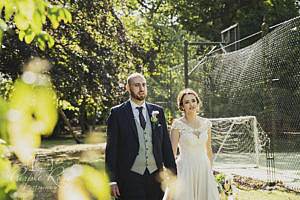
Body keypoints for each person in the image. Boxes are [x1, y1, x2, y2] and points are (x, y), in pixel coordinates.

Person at [105, 72, 177, 200]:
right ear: (128, 88)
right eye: (137, 85)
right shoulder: (117, 113)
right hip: (129, 176)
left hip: (156, 176)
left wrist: (173, 175)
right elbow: (111, 149)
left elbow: (165, 145)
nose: (141, 88)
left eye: (144, 85)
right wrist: (112, 180)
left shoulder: (158, 111)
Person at [166, 88, 220, 200]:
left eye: (193, 100)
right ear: (182, 106)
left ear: (197, 102)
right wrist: (171, 174)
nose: (191, 104)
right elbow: (172, 153)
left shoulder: (206, 124)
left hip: (203, 168)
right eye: (187, 102)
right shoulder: (177, 125)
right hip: (185, 169)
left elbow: (209, 150)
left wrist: (210, 171)